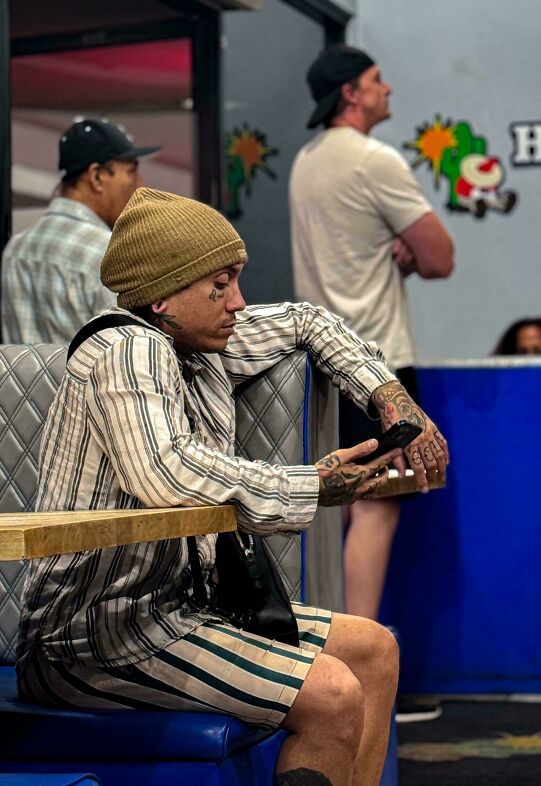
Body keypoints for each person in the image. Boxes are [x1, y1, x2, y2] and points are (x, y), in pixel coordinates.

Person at [17, 188, 449, 786]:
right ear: (163, 295)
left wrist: (389, 397)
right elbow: (167, 472)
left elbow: (308, 321)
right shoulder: (127, 348)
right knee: (333, 696)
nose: (237, 303)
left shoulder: (192, 341)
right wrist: (315, 485)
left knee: (375, 652)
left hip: (176, 611)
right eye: (219, 286)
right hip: (94, 637)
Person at [289, 44, 454, 638]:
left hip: (321, 365)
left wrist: (393, 261)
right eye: (377, 80)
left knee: (342, 514)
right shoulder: (373, 160)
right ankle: (365, 673)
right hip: (376, 365)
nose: (389, 89)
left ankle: (336, 669)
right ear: (351, 93)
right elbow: (441, 258)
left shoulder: (306, 162)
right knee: (377, 513)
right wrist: (409, 258)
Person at [1, 118, 159, 344]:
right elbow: (134, 351)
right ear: (96, 176)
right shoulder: (110, 252)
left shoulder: (15, 249)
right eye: (131, 172)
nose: (140, 185)